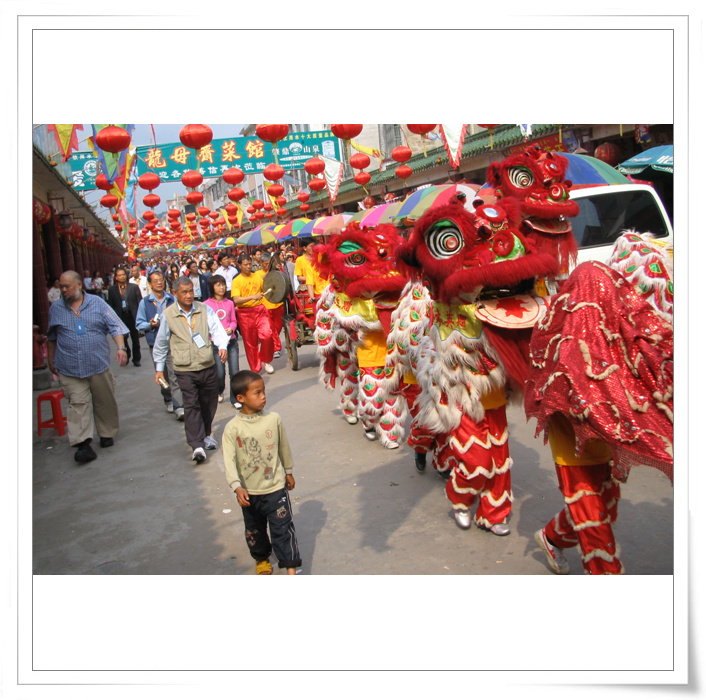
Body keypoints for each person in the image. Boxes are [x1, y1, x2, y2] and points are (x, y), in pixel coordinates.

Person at [222, 369, 302, 575]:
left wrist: (288, 471)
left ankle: (290, 569)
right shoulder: (232, 428)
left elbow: (283, 447)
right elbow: (229, 460)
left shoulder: (273, 419)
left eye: (263, 391)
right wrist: (236, 486)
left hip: (276, 488)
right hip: (249, 493)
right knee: (255, 531)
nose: (263, 396)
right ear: (241, 398)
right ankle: (262, 559)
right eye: (257, 393)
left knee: (283, 529)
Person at [46, 271, 129, 463]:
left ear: (79, 285)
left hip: (97, 364)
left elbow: (115, 326)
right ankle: (82, 444)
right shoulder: (56, 308)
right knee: (77, 403)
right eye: (61, 286)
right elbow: (52, 336)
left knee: (104, 400)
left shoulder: (97, 303)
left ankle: (106, 433)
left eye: (67, 286)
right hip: (69, 367)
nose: (63, 290)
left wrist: (121, 348)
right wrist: (51, 360)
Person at [152, 276, 230, 464]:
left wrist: (222, 346)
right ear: (175, 293)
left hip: (206, 364)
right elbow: (161, 343)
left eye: (191, 291)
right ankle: (196, 445)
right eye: (184, 292)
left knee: (209, 402)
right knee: (191, 404)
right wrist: (159, 368)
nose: (189, 295)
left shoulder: (204, 309)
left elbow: (217, 329)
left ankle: (206, 434)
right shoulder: (168, 315)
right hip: (184, 368)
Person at [135, 270, 185, 421]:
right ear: (150, 284)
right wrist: (150, 324)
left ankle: (179, 406)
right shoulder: (145, 303)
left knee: (174, 374)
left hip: (172, 341)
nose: (159, 283)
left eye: (161, 280)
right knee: (162, 373)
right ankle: (168, 398)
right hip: (155, 342)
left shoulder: (172, 299)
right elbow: (139, 324)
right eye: (155, 280)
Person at [230, 255, 275, 375]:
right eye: (245, 264)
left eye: (250, 264)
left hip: (260, 310)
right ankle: (255, 368)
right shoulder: (237, 281)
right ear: (240, 265)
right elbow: (236, 299)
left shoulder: (257, 277)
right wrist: (252, 297)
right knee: (250, 342)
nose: (248, 266)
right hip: (244, 313)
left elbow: (266, 287)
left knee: (267, 335)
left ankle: (265, 359)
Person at [204, 274, 240, 407]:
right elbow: (206, 324)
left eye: (223, 284)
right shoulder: (206, 305)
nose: (222, 288)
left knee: (234, 371)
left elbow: (234, 321)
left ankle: (235, 399)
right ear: (212, 287)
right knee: (219, 373)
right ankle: (219, 390)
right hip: (215, 344)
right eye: (218, 285)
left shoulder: (229, 303)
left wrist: (231, 328)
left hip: (231, 341)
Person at [107, 266, 143, 367]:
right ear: (116, 277)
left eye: (123, 275)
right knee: (123, 338)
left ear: (126, 276)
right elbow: (111, 305)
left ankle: (136, 359)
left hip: (132, 315)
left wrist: (140, 315)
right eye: (119, 275)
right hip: (120, 317)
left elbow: (140, 302)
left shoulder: (133, 287)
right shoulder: (112, 290)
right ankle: (127, 354)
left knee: (135, 338)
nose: (122, 277)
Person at [254, 252, 284, 359]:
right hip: (266, 306)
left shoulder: (276, 271)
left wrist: (279, 270)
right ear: (261, 263)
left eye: (269, 264)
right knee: (271, 329)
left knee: (278, 327)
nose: (267, 266)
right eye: (265, 264)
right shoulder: (257, 274)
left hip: (278, 303)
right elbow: (259, 281)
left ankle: (273, 344)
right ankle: (276, 348)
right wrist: (268, 273)